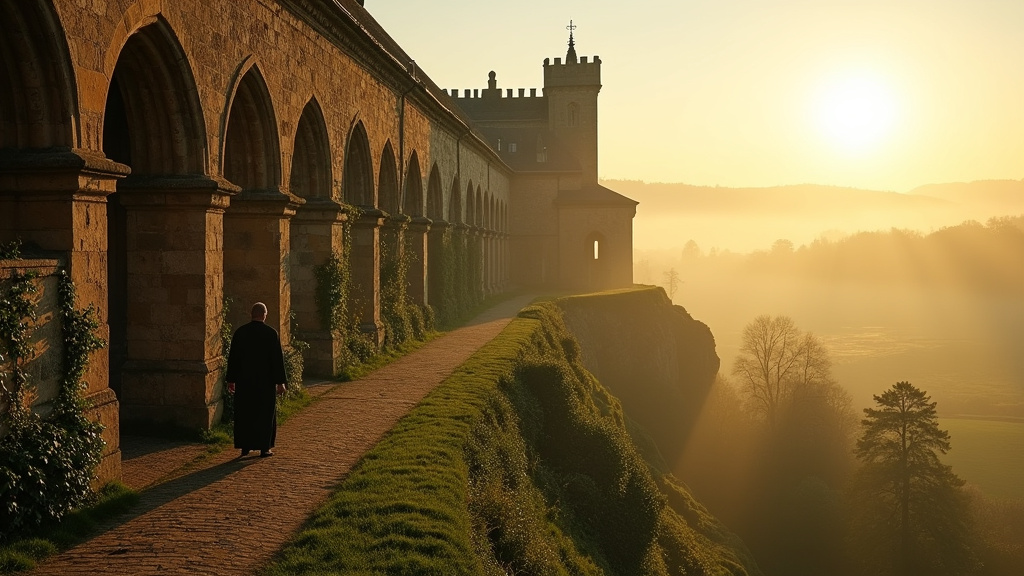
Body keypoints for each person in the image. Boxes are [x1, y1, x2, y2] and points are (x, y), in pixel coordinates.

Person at [226, 302, 287, 457]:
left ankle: (245, 447)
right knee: (264, 415)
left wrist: (231, 380)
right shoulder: (271, 334)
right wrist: (280, 382)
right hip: (265, 383)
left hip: (245, 382)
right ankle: (264, 447)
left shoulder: (240, 333)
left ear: (251, 314)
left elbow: (233, 359)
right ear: (264, 315)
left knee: (245, 414)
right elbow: (277, 360)